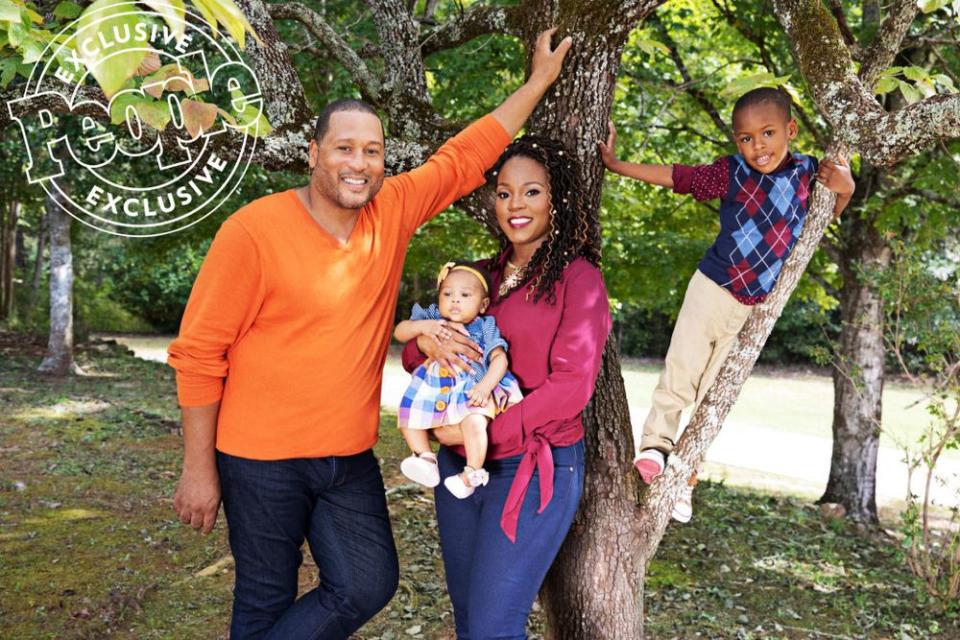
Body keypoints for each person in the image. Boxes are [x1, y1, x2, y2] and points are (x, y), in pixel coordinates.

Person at [166, 28, 572, 640]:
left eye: (373, 152)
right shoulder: (252, 232)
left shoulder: (394, 210)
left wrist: (537, 82)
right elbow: (198, 355)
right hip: (257, 458)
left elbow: (465, 157)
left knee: (366, 582)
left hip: (345, 456)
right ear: (313, 153)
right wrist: (199, 468)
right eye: (344, 149)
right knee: (262, 600)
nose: (359, 164)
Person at [599, 86, 855, 522]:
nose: (758, 146)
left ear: (790, 130)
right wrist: (617, 165)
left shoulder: (809, 174)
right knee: (680, 373)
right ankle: (655, 448)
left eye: (768, 133)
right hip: (712, 289)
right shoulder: (732, 173)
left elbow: (829, 213)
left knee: (714, 396)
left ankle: (685, 478)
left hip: (752, 312)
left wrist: (846, 186)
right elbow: (678, 177)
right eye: (746, 138)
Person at [402, 136, 612, 638]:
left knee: (493, 626)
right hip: (460, 464)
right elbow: (418, 350)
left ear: (556, 198)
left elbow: (572, 387)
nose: (515, 205)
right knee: (470, 619)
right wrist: (427, 346)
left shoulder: (577, 279)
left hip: (535, 463)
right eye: (503, 193)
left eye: (531, 191)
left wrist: (483, 433)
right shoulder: (480, 276)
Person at [395, 261, 523, 498]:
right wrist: (423, 326)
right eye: (447, 293)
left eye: (465, 295)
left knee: (474, 421)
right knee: (408, 413)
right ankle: (425, 457)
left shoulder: (485, 326)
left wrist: (485, 388)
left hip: (472, 385)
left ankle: (471, 473)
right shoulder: (433, 317)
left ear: (483, 304)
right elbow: (400, 331)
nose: (455, 300)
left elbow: (500, 359)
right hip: (435, 385)